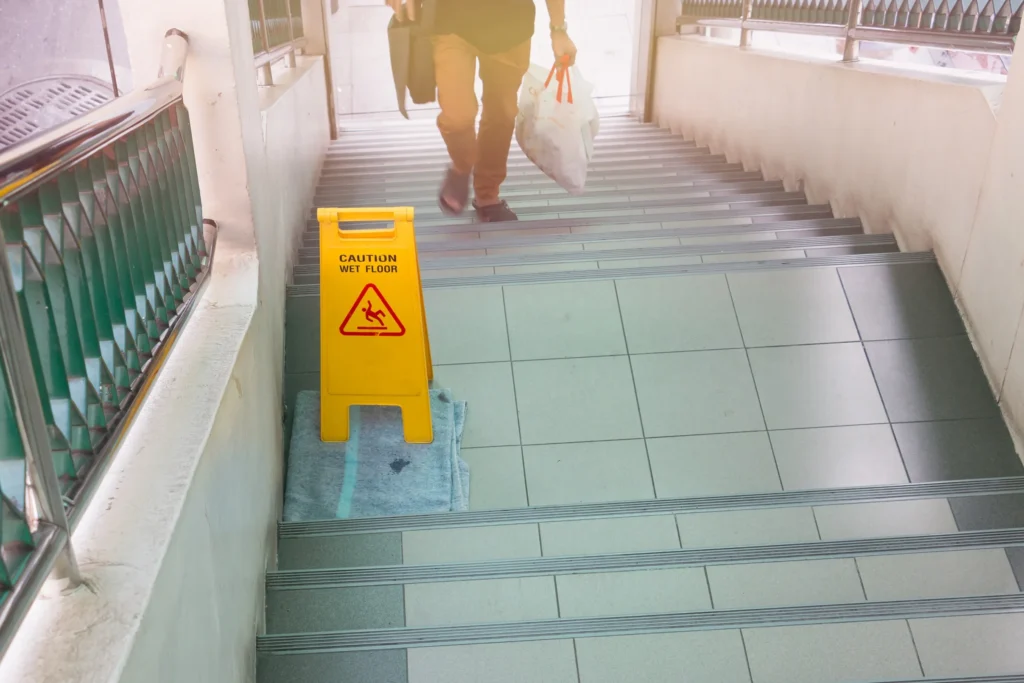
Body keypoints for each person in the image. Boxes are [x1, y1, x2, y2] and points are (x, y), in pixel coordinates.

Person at [386, 0, 577, 222]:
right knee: (458, 115)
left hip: (512, 27)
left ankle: (487, 194)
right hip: (450, 21)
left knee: (501, 114)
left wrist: (558, 30)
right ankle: (461, 165)